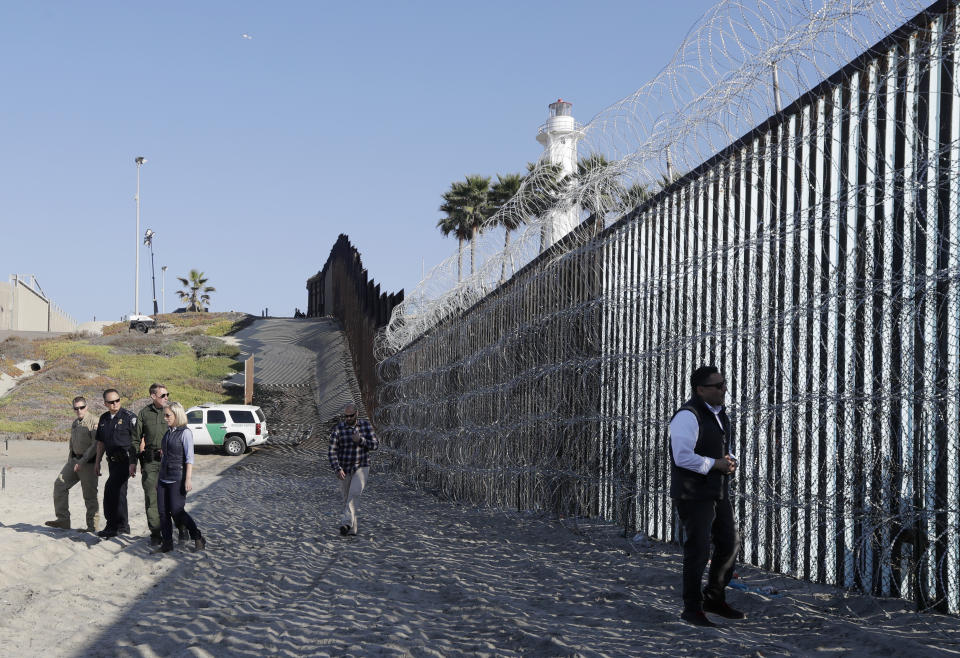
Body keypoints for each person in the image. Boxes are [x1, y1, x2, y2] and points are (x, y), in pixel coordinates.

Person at [669, 365, 744, 627]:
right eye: (718, 385)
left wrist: (730, 460)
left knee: (729, 542)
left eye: (724, 383)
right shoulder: (687, 416)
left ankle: (714, 598)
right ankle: (691, 608)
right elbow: (682, 457)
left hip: (717, 491)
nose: (724, 389)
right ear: (700, 390)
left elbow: (724, 447)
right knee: (698, 550)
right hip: (693, 494)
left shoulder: (720, 414)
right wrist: (715, 464)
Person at [133, 383, 185, 546]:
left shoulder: (172, 411)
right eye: (163, 395)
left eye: (167, 394)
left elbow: (183, 433)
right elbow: (135, 439)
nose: (166, 397)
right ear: (153, 396)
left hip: (171, 462)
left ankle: (182, 528)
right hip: (151, 462)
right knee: (151, 498)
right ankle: (156, 533)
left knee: (173, 500)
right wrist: (133, 462)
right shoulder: (144, 413)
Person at [156, 401, 206, 553]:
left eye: (168, 415)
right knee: (163, 513)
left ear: (177, 415)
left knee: (177, 511)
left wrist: (188, 479)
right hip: (163, 478)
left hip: (177, 477)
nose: (165, 418)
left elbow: (189, 458)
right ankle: (167, 544)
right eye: (164, 415)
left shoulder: (185, 433)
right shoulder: (168, 432)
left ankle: (197, 536)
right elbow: (164, 457)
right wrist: (158, 479)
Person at [45, 396, 100, 532]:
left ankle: (92, 527)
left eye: (81, 407)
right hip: (74, 461)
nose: (79, 410)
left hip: (88, 463)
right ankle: (63, 520)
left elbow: (95, 445)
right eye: (76, 408)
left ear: (86, 407)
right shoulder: (75, 422)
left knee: (89, 495)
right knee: (59, 484)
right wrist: (71, 460)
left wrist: (82, 461)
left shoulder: (94, 421)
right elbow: (72, 443)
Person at [328, 403, 379, 536]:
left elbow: (375, 445)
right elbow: (332, 450)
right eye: (346, 416)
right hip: (344, 468)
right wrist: (337, 468)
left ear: (356, 414)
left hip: (362, 466)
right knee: (347, 499)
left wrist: (361, 440)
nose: (348, 418)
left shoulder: (365, 426)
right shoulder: (339, 429)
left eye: (351, 415)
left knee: (354, 493)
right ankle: (352, 530)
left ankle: (345, 524)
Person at [95, 389, 138, 538]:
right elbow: (100, 442)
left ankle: (113, 525)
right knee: (119, 493)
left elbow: (139, 441)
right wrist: (97, 462)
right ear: (105, 403)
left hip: (125, 461)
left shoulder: (129, 417)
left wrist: (134, 462)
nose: (115, 404)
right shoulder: (104, 418)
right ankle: (122, 526)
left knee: (111, 490)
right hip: (111, 462)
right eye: (111, 402)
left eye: (117, 400)